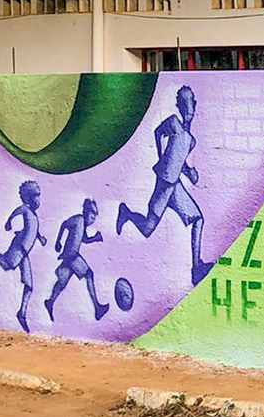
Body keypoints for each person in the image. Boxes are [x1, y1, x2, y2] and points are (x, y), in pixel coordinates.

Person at [117, 84, 211, 283]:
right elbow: (158, 133)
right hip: (164, 185)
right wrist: (161, 159)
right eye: (184, 103)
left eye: (190, 102)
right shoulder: (174, 123)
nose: (188, 107)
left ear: (194, 104)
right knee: (147, 228)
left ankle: (196, 267)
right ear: (179, 105)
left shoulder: (190, 140)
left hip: (174, 186)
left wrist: (189, 173)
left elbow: (179, 159)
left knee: (198, 219)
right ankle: (126, 213)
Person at [0, 180, 46, 332]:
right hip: (18, 247)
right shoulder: (25, 209)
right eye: (35, 196)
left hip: (24, 253)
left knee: (29, 285)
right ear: (28, 197)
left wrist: (40, 238)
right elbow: (17, 211)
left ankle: (22, 313)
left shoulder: (34, 215)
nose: (38, 200)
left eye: (39, 196)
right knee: (8, 264)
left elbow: (33, 229)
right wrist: (9, 221)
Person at [45, 198, 109, 322]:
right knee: (89, 274)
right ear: (86, 212)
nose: (93, 219)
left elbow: (84, 239)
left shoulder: (83, 225)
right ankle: (97, 307)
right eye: (92, 216)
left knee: (62, 282)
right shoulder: (78, 219)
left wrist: (95, 238)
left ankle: (50, 302)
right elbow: (64, 224)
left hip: (70, 258)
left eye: (94, 217)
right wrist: (58, 241)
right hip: (72, 256)